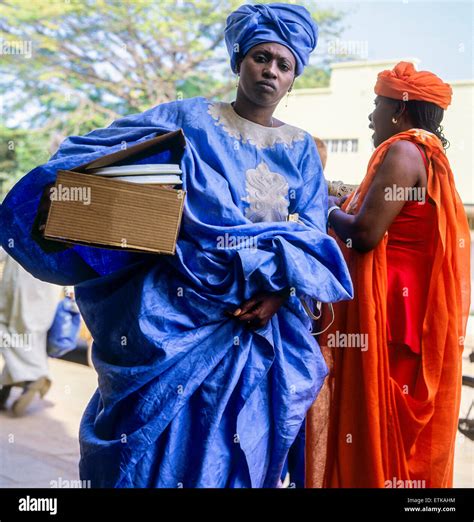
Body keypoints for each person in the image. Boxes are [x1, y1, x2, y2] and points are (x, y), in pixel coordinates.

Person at [0, 3, 352, 487]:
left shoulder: (301, 149)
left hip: (253, 329)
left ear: (293, 79)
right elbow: (105, 153)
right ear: (238, 61)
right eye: (260, 57)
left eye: (283, 64)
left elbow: (311, 236)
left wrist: (278, 295)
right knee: (149, 441)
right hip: (171, 314)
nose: (270, 70)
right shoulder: (188, 117)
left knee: (233, 446)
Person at [306, 62, 471, 488]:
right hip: (408, 317)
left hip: (387, 320)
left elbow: (364, 233)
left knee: (376, 425)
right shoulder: (430, 156)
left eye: (377, 104)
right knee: (394, 437)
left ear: (399, 108)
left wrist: (324, 208)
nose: (370, 115)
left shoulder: (403, 151)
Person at [0, 247, 61, 416]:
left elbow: (6, 242)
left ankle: (36, 375)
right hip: (48, 281)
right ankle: (6, 388)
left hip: (22, 280)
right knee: (29, 338)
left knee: (13, 335)